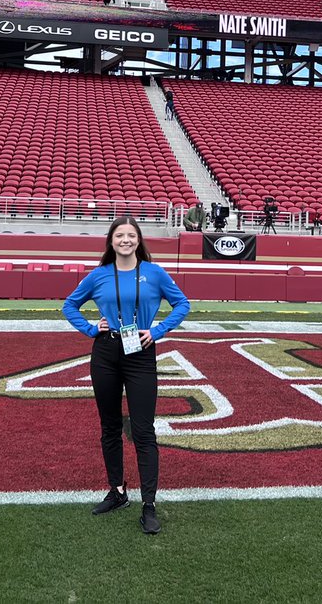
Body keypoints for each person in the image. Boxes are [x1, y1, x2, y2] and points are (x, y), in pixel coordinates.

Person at [62, 217, 191, 534]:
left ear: (139, 240)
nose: (125, 240)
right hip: (106, 352)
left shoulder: (153, 272)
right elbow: (70, 305)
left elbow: (182, 304)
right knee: (109, 426)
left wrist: (158, 331)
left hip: (140, 353)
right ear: (111, 241)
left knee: (144, 430)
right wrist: (92, 328)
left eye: (130, 235)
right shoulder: (99, 275)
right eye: (119, 235)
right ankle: (118, 491)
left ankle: (149, 505)